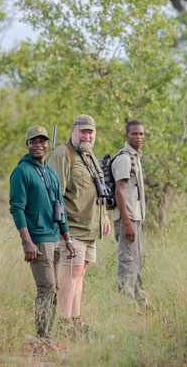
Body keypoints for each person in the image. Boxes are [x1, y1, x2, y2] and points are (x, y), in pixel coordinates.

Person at [9, 125, 75, 352]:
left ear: (47, 144)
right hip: (37, 240)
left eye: (42, 141)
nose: (38, 145)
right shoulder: (22, 172)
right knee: (46, 286)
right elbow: (17, 208)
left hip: (54, 237)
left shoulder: (51, 172)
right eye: (33, 141)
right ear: (27, 145)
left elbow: (61, 208)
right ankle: (39, 339)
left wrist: (67, 238)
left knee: (54, 288)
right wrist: (26, 241)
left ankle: (48, 337)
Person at [48, 114, 111, 334]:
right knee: (71, 274)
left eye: (90, 131)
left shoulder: (89, 155)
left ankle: (76, 319)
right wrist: (63, 232)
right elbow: (55, 195)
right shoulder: (62, 155)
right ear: (73, 130)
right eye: (82, 131)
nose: (87, 135)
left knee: (80, 273)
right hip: (72, 228)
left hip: (90, 227)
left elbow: (96, 188)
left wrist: (103, 216)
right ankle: (64, 324)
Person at [111, 120, 148, 306]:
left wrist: (140, 219)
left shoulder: (136, 157)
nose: (138, 137)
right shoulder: (125, 158)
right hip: (127, 219)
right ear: (127, 136)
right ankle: (124, 303)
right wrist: (127, 223)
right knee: (127, 260)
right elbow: (119, 191)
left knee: (137, 261)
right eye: (134, 134)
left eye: (141, 134)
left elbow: (135, 192)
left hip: (135, 218)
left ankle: (141, 301)